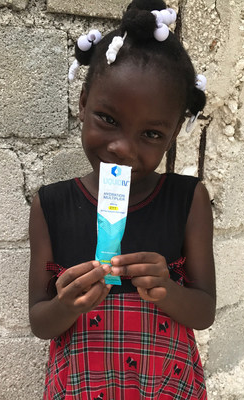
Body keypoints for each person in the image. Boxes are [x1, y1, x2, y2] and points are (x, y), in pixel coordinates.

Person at [28, 0, 216, 398]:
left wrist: (169, 290)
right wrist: (66, 305)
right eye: (108, 120)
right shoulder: (51, 206)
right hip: (82, 383)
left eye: (151, 134)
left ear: (174, 134)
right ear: (83, 105)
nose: (123, 149)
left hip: (165, 383)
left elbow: (204, 312)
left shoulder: (188, 200)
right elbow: (41, 322)